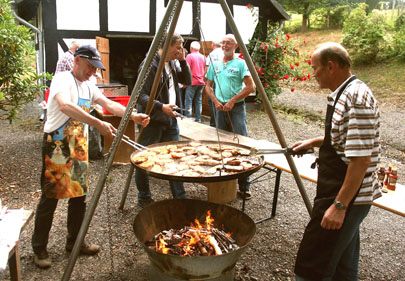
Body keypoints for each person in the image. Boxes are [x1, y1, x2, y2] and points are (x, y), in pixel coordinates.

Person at [31, 45, 150, 269]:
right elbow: (65, 106)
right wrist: (96, 122)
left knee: (79, 197)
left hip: (78, 144)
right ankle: (39, 248)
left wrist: (133, 115)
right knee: (51, 197)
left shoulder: (88, 85)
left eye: (95, 68)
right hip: (58, 142)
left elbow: (109, 105)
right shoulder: (62, 79)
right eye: (90, 66)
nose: (92, 72)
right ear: (77, 60)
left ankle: (75, 242)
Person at [293, 42, 381, 281]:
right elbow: (345, 138)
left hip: (347, 197)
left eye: (316, 69)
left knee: (313, 266)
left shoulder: (357, 98)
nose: (313, 75)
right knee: (343, 268)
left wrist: (339, 206)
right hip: (338, 190)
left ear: (330, 66)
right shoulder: (344, 93)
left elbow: (361, 159)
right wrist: (313, 142)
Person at [135, 33, 192, 206]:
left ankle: (179, 198)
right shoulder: (149, 64)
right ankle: (144, 198)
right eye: (178, 46)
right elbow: (140, 96)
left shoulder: (173, 62)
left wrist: (183, 61)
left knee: (176, 159)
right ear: (167, 45)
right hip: (152, 121)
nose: (180, 50)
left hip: (170, 121)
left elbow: (187, 81)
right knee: (144, 159)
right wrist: (161, 107)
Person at [205, 34, 255, 200]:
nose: (225, 45)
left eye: (228, 43)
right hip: (220, 109)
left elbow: (250, 87)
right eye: (223, 43)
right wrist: (215, 101)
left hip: (236, 109)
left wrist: (233, 100)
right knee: (221, 145)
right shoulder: (216, 64)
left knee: (240, 144)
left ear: (236, 46)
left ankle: (244, 185)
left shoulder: (241, 64)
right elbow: (207, 86)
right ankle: (224, 181)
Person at [184, 41, 206, 122]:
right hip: (201, 82)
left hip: (192, 81)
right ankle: (198, 118)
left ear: (191, 48)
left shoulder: (189, 56)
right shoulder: (203, 57)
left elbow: (186, 69)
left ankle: (188, 119)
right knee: (198, 101)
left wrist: (184, 81)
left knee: (188, 100)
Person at [205, 41, 224, 127]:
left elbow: (208, 69)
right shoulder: (224, 52)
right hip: (223, 81)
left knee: (213, 102)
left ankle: (214, 123)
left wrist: (206, 79)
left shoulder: (211, 55)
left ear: (213, 45)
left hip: (214, 81)